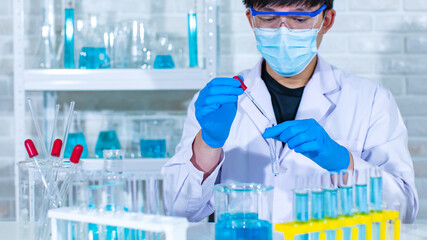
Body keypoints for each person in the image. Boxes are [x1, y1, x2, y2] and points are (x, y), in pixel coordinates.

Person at [162, 0, 418, 223]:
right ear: (251, 19)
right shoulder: (217, 103)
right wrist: (208, 142)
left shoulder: (370, 100)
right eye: (269, 18)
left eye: (299, 18)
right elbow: (177, 210)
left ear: (326, 20)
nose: (283, 30)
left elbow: (404, 210)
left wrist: (342, 161)